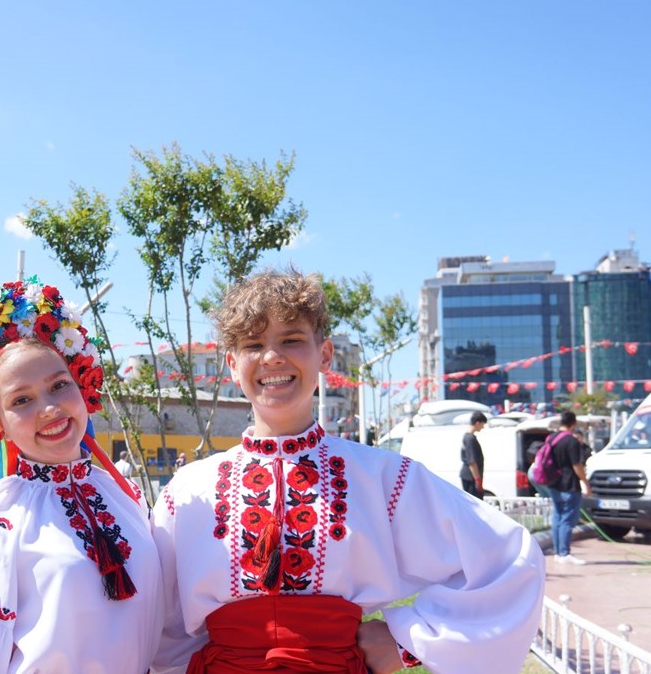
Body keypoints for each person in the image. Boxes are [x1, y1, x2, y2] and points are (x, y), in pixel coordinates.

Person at [152, 268, 544, 674]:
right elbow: (157, 620)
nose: (272, 357)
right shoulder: (188, 490)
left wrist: (406, 641)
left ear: (324, 355)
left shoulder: (382, 478)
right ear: (232, 365)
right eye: (254, 344)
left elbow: (509, 557)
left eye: (292, 339)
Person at [0, 279, 162, 672]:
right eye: (22, 400)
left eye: (59, 386)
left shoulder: (121, 492)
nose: (49, 409)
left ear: (82, 386)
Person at [547, 411, 593, 565]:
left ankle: (557, 552)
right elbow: (576, 465)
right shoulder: (571, 441)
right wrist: (586, 483)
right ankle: (564, 553)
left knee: (557, 518)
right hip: (569, 485)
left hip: (554, 484)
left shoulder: (551, 438)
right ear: (573, 424)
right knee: (567, 520)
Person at [460, 410, 487, 499]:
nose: (483, 427)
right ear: (477, 423)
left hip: (470, 476)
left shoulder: (468, 437)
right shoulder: (470, 439)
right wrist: (477, 480)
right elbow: (472, 462)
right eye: (483, 424)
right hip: (470, 477)